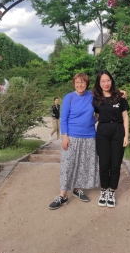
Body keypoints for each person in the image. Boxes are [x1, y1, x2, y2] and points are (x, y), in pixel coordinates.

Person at [48, 72, 99, 210]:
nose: (80, 84)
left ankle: (77, 189)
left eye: (82, 82)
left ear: (86, 84)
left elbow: (105, 100)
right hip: (72, 137)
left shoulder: (92, 96)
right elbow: (63, 118)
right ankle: (62, 195)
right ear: (74, 83)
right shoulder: (69, 97)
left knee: (83, 165)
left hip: (89, 137)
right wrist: (65, 135)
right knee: (67, 164)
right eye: (77, 82)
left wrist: (95, 119)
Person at [92, 70, 130, 208]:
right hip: (102, 132)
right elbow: (95, 117)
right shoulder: (96, 98)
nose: (106, 83)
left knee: (115, 164)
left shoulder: (119, 97)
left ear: (111, 81)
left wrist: (126, 136)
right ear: (99, 83)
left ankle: (112, 192)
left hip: (118, 132)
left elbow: (125, 117)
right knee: (104, 164)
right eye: (102, 81)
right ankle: (104, 190)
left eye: (108, 80)